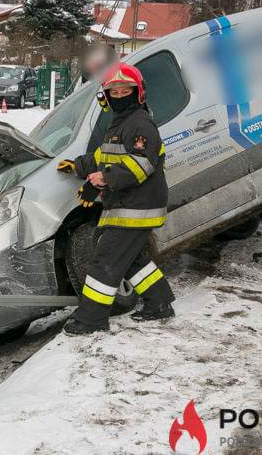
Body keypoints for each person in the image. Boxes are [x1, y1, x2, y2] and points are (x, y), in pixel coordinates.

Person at [57, 63, 175, 335]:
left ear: (139, 93)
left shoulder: (139, 124)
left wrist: (104, 179)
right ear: (106, 98)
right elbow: (102, 157)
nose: (121, 96)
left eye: (126, 91)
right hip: (128, 206)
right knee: (129, 257)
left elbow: (141, 165)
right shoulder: (119, 125)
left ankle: (92, 319)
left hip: (136, 206)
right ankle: (159, 303)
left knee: (106, 259)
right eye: (115, 92)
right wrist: (77, 166)